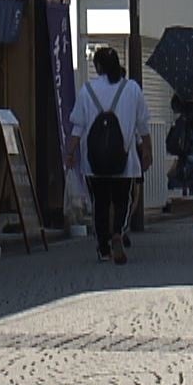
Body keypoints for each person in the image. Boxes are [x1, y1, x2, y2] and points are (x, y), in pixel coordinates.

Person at [65, 46, 152, 264]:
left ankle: (103, 248)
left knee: (100, 203)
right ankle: (118, 233)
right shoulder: (132, 89)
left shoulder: (87, 90)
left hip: (94, 161)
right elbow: (143, 125)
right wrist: (147, 151)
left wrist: (70, 152)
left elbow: (78, 127)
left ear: (98, 66)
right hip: (125, 160)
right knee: (123, 201)